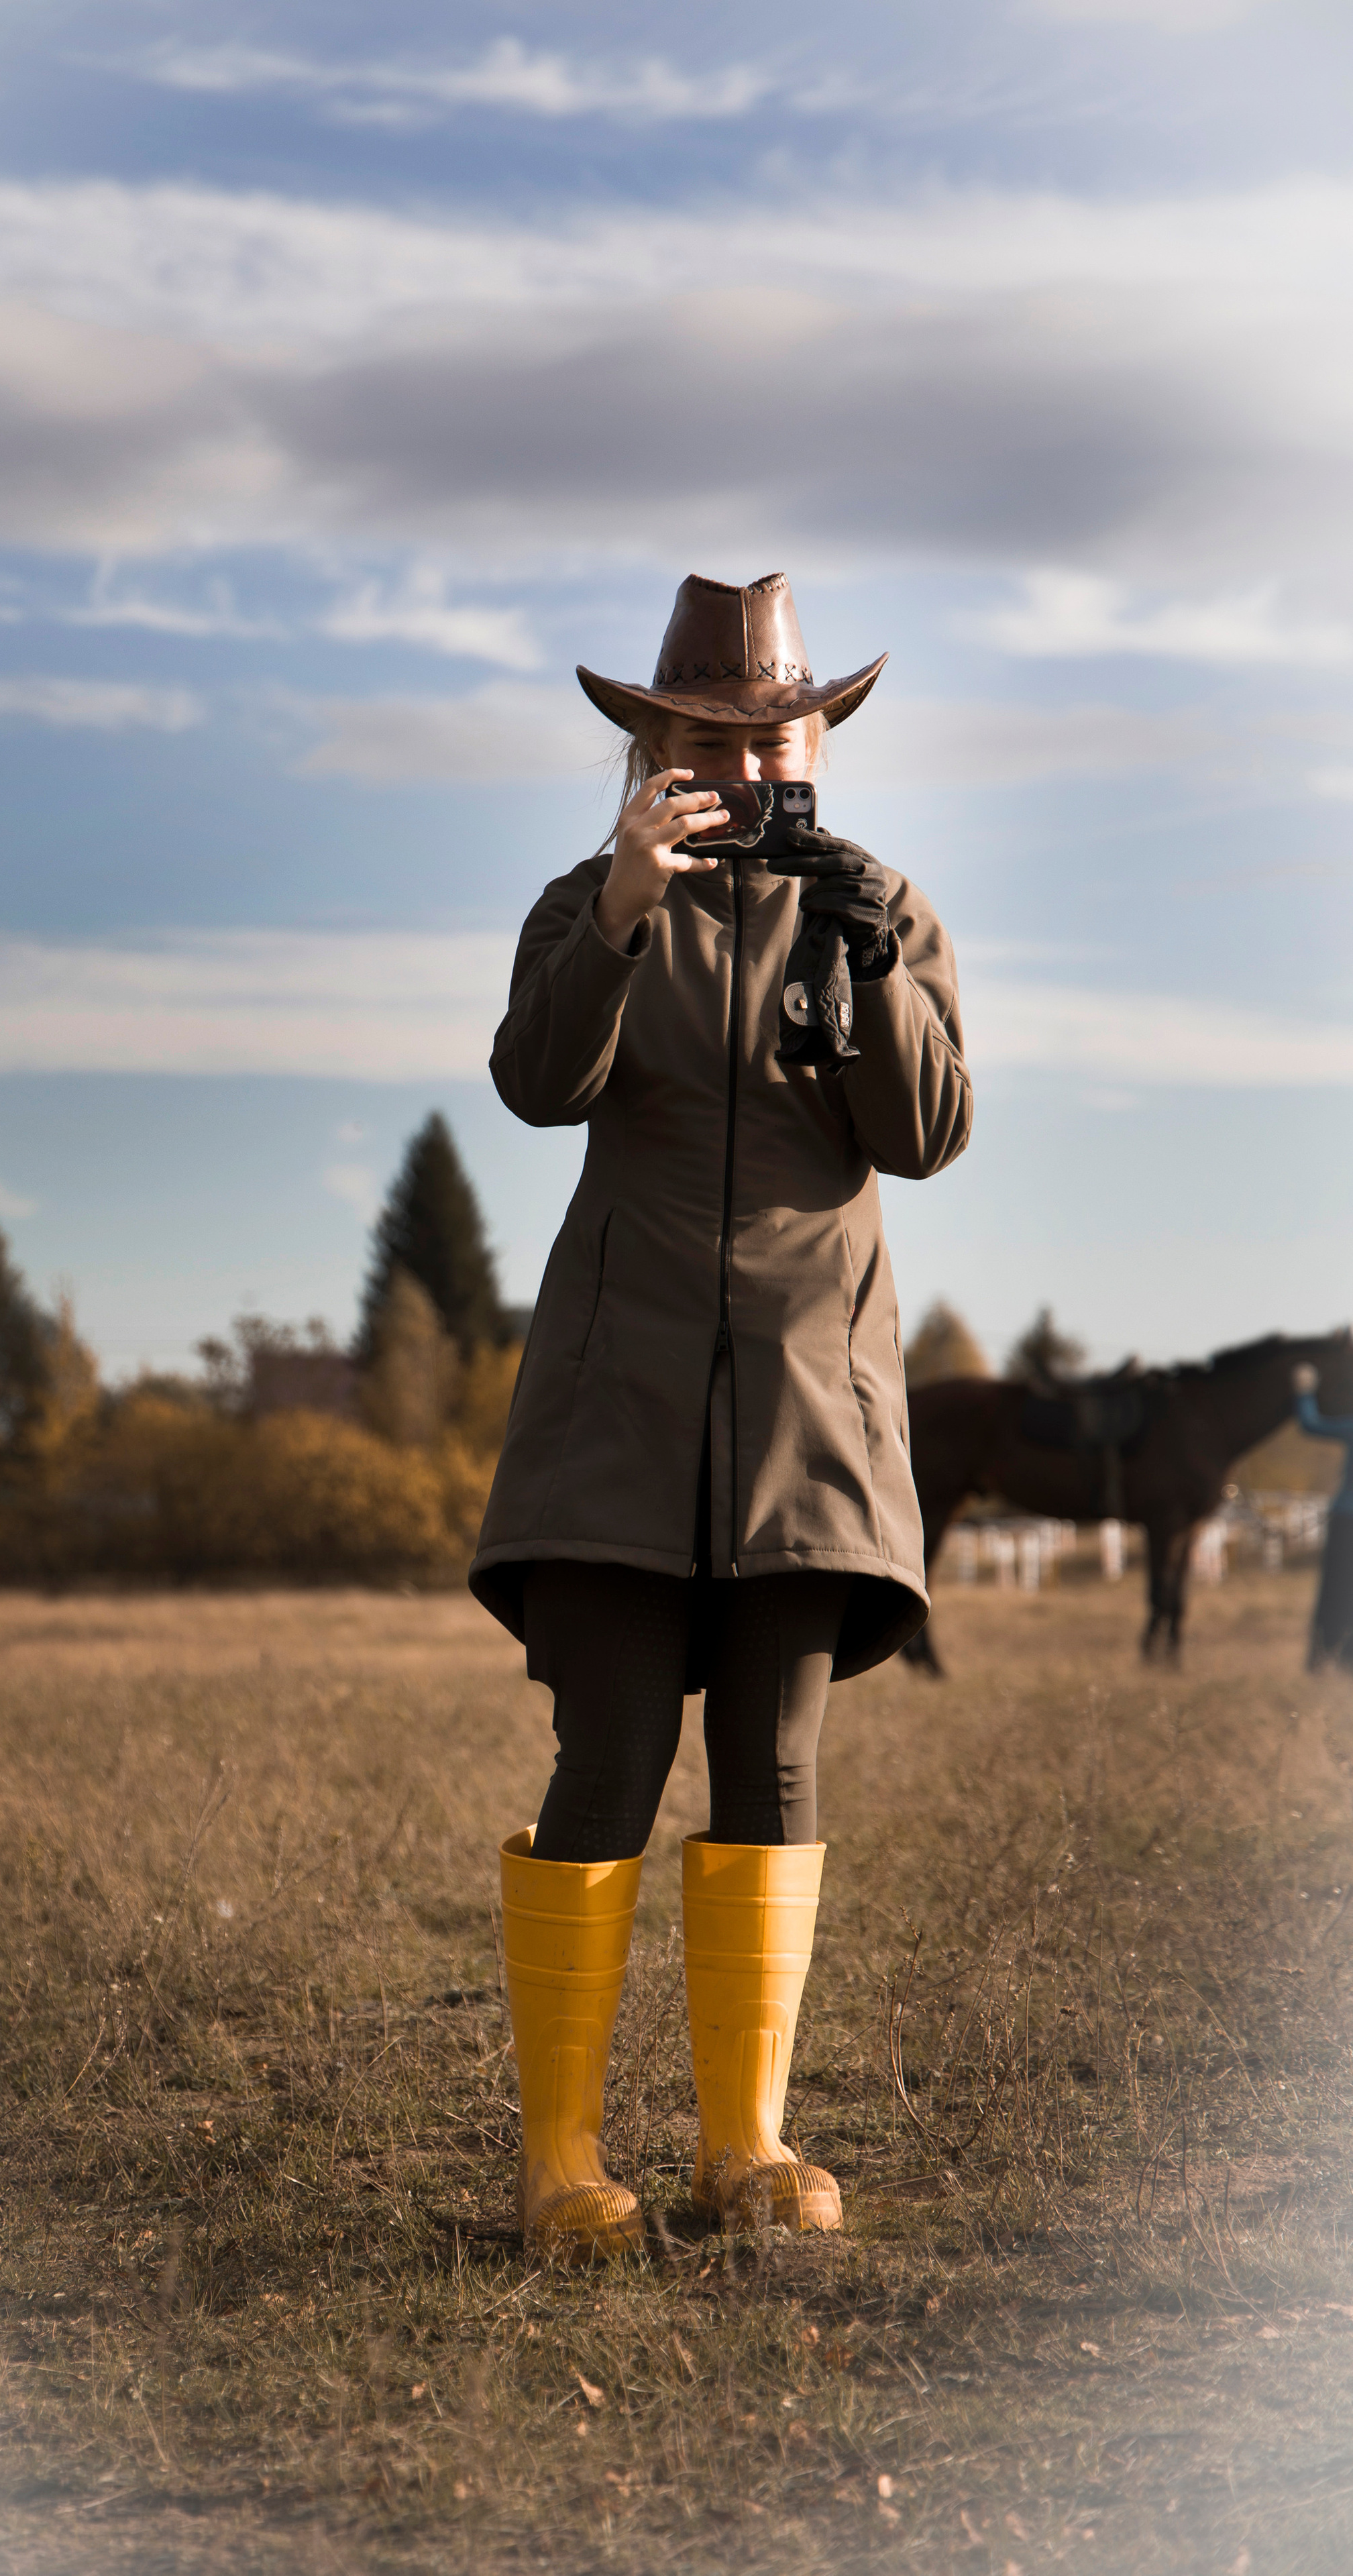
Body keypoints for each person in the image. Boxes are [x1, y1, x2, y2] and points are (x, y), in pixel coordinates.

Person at [469, 572, 971, 2256]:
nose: (746, 761)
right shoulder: (586, 898)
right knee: (605, 1749)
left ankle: (743, 2147)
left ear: (813, 733)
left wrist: (860, 956)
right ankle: (563, 2163)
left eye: (775, 730)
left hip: (803, 1418)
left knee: (771, 1758)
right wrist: (618, 912)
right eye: (710, 734)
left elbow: (923, 1129)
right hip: (616, 1404)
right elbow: (539, 1081)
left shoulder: (883, 904)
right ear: (652, 741)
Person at [1293, 1364, 1353, 1671]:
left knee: (1334, 1588)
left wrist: (1304, 1392)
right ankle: (1346, 1661)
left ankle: (1320, 1657)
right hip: (1345, 1517)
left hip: (1346, 1519)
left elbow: (1311, 1424)